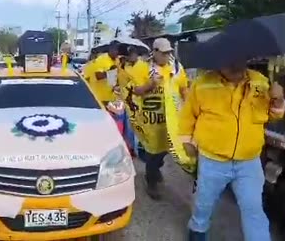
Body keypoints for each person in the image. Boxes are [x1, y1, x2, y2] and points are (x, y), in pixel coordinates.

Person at [179, 62, 284, 241]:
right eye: (230, 61)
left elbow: (274, 115)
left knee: (253, 208)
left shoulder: (261, 82)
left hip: (249, 163)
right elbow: (187, 117)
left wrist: (279, 100)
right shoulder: (203, 84)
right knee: (204, 203)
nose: (236, 66)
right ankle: (198, 229)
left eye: (239, 60)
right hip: (212, 161)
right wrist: (187, 142)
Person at [130, 38, 188, 200]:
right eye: (163, 53)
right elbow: (137, 91)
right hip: (151, 119)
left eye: (169, 52)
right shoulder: (142, 67)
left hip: (171, 119)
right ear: (154, 52)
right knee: (153, 152)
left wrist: (189, 107)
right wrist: (150, 84)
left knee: (166, 150)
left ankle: (155, 170)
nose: (167, 56)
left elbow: (184, 89)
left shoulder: (176, 67)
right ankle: (151, 181)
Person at [86, 40, 120, 105]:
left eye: (118, 50)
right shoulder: (101, 59)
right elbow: (98, 76)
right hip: (99, 98)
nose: (117, 52)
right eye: (115, 50)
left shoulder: (117, 60)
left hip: (111, 98)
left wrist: (116, 85)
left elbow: (113, 78)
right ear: (110, 49)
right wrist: (110, 71)